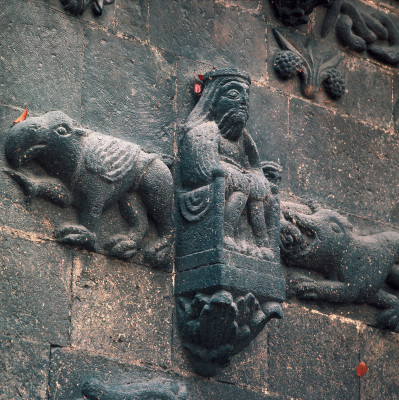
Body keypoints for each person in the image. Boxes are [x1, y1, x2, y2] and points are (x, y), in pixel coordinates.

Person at [180, 69, 273, 259]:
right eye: (233, 94)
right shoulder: (205, 131)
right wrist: (230, 174)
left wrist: (257, 179)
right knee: (242, 190)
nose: (243, 101)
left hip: (238, 180)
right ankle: (227, 234)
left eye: (246, 96)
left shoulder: (244, 138)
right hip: (218, 182)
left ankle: (262, 243)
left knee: (256, 192)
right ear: (213, 100)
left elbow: (256, 166)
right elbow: (203, 169)